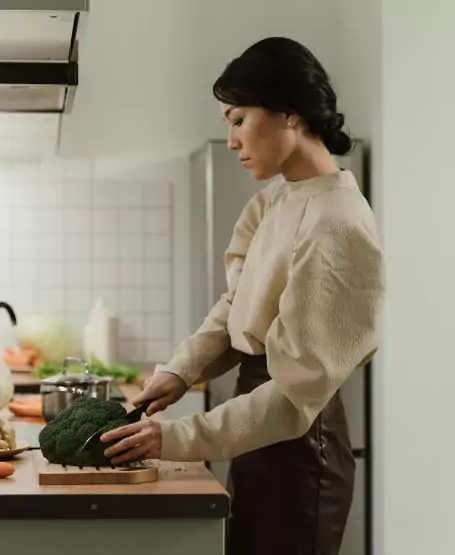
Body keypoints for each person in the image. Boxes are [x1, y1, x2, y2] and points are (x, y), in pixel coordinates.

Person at [100, 37, 385, 555]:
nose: (231, 140)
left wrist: (175, 437)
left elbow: (297, 397)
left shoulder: (337, 222)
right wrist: (180, 371)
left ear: (289, 113)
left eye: (237, 118)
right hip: (256, 426)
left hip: (300, 443)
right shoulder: (276, 199)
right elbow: (240, 303)